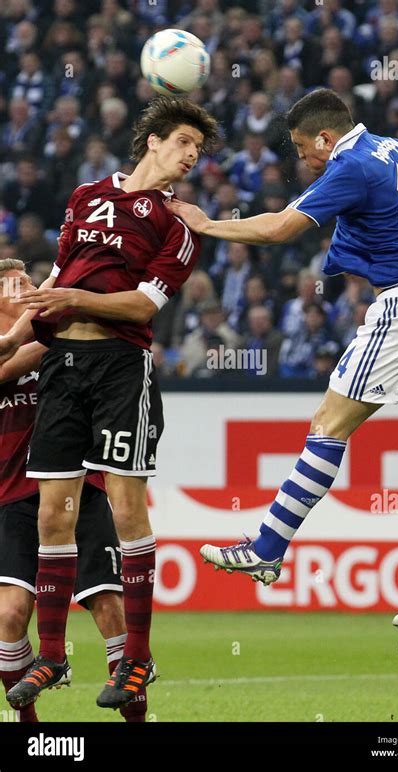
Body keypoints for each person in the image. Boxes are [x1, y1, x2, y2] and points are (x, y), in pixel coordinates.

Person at [166, 89, 398, 631]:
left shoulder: (349, 164)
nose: (304, 160)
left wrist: (205, 223)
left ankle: (266, 545)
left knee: (328, 425)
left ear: (325, 139)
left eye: (305, 149)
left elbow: (280, 229)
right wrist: (395, 238)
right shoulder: (396, 148)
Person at [0, 96, 218, 710]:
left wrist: (72, 297)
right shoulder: (85, 195)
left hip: (122, 369)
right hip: (64, 368)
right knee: (51, 517)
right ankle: (52, 656)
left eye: (197, 151)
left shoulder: (179, 226)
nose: (189, 156)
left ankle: (137, 663)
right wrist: (18, 335)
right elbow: (57, 280)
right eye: (182, 143)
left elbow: (142, 307)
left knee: (125, 510)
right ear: (153, 140)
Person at [0, 258, 147, 722]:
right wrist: (45, 315)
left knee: (109, 606)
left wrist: (55, 306)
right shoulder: (43, 337)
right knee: (7, 618)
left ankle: (137, 718)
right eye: (14, 284)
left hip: (77, 489)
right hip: (12, 499)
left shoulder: (61, 327)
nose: (26, 289)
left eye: (30, 281)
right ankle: (30, 727)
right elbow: (17, 358)